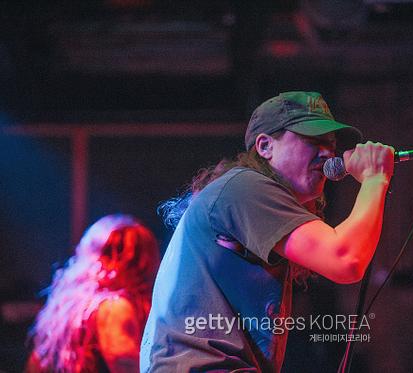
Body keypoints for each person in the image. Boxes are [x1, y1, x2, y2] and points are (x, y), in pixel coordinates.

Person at [140, 91, 394, 372]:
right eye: (313, 140)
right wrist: (375, 177)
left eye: (331, 145)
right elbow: (345, 259)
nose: (327, 153)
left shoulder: (245, 195)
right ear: (265, 146)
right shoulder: (244, 187)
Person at [26, 214, 161, 373]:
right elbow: (126, 366)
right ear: (143, 261)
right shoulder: (115, 308)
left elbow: (36, 364)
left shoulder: (67, 305)